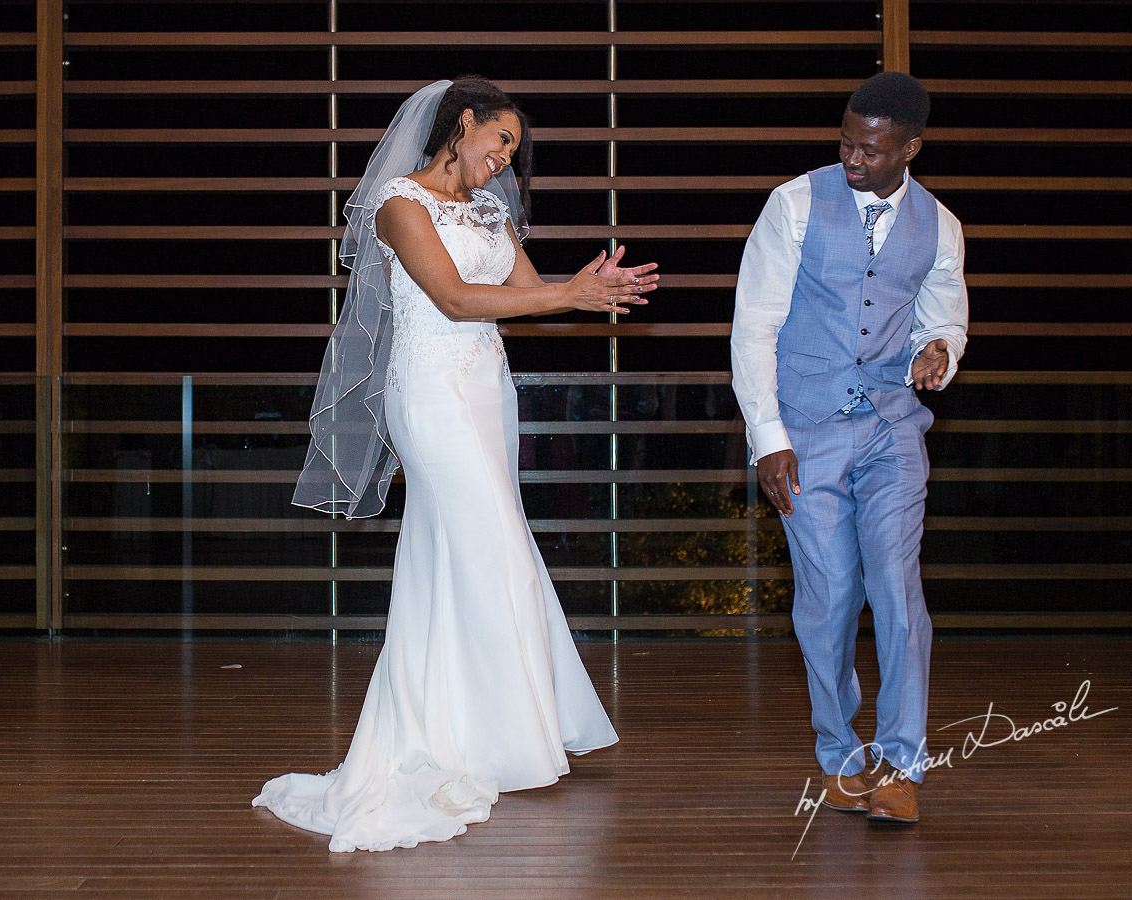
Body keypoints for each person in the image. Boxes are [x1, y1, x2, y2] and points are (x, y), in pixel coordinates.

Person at [254, 77, 659, 852]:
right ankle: (497, 736)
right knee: (490, 545)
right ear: (462, 122)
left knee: (462, 552)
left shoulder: (491, 210)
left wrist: (586, 291)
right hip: (430, 394)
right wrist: (565, 296)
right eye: (500, 140)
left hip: (487, 391)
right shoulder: (399, 205)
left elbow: (527, 292)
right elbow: (454, 300)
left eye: (514, 150)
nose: (505, 159)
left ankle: (475, 727)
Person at [730, 72, 968, 824]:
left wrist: (939, 352)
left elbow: (945, 322)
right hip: (805, 433)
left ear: (910, 148)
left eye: (870, 148)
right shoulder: (794, 205)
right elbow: (754, 327)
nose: (853, 157)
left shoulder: (941, 225)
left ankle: (901, 765)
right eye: (845, 141)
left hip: (893, 429)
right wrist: (768, 440)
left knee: (898, 593)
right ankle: (840, 755)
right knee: (828, 597)